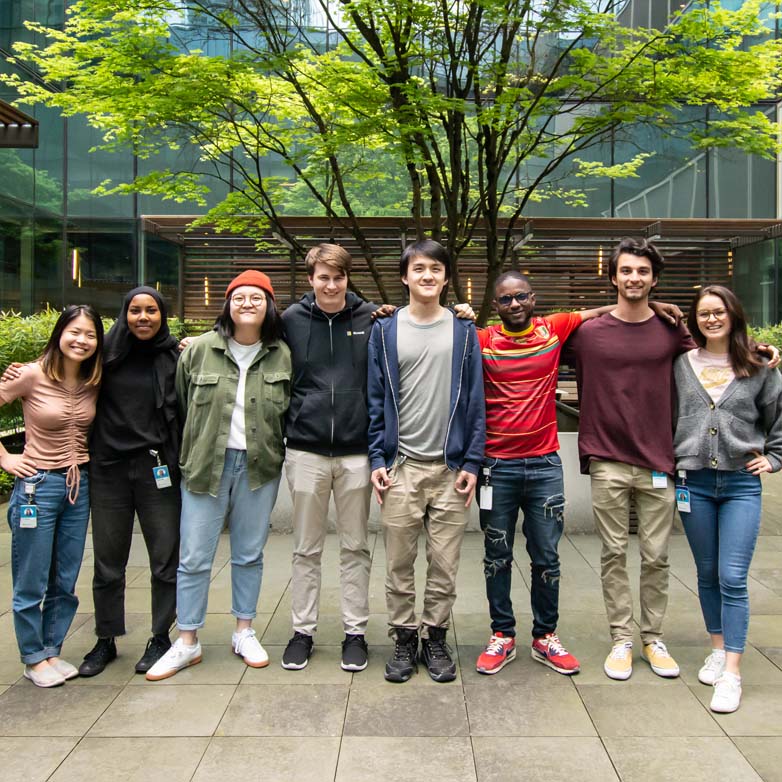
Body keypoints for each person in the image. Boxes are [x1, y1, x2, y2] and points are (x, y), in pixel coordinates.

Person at [474, 271, 679, 676]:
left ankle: (544, 636)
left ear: (534, 299)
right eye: (505, 300)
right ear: (495, 306)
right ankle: (502, 635)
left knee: (547, 556)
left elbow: (610, 310)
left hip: (545, 464)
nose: (514, 305)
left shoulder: (555, 328)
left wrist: (654, 305)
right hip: (496, 466)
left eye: (521, 297)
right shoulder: (482, 341)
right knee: (496, 556)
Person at [145, 270, 291, 680]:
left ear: (269, 305)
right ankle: (187, 640)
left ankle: (244, 630)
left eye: (257, 298)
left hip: (258, 467)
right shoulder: (199, 350)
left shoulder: (281, 352)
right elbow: (182, 404)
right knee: (193, 557)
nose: (248, 304)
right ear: (227, 304)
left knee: (249, 553)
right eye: (239, 297)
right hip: (207, 465)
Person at [567, 237, 695, 681]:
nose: (633, 278)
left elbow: (712, 362)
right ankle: (622, 637)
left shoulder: (671, 329)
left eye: (642, 271)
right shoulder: (586, 334)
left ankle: (652, 637)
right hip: (607, 458)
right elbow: (537, 333)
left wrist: (758, 355)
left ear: (654, 279)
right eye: (626, 271)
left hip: (660, 459)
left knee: (658, 555)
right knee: (614, 552)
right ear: (614, 277)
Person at [368, 239, 485, 683]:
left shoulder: (463, 330)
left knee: (445, 563)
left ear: (446, 277)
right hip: (401, 465)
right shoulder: (384, 330)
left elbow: (475, 401)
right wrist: (377, 457)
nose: (427, 276)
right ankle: (403, 637)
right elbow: (375, 399)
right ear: (405, 276)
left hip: (451, 468)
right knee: (398, 562)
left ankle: (435, 636)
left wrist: (472, 462)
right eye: (419, 269)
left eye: (436, 268)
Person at [673, 285, 782, 713]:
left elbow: (777, 417)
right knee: (706, 571)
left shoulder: (760, 366)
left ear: (733, 315)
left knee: (733, 576)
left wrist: (774, 459)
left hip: (740, 484)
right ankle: (717, 648)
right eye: (703, 314)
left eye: (719, 312)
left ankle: (732, 672)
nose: (712, 319)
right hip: (694, 482)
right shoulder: (682, 364)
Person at [280, 244, 376, 672]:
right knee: (305, 549)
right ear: (311, 279)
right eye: (323, 277)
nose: (331, 285)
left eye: (338, 277)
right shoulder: (289, 321)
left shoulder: (372, 318)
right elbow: (242, 334)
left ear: (347, 278)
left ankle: (355, 633)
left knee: (356, 547)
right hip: (305, 450)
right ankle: (303, 631)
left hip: (357, 452)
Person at [77, 287, 182, 677]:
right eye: (135, 310)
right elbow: (59, 371)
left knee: (165, 561)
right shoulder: (102, 355)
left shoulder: (174, 356)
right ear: (124, 314)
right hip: (109, 470)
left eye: (151, 310)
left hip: (158, 471)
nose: (143, 317)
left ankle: (160, 636)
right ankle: (105, 639)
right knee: (107, 562)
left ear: (162, 315)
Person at [0, 305, 103, 687]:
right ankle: (32, 656)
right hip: (37, 486)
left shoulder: (94, 378)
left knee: (65, 575)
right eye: (75, 332)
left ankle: (51, 650)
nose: (81, 340)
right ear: (60, 332)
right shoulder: (29, 374)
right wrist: (6, 459)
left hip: (79, 486)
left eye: (90, 335)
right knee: (32, 576)